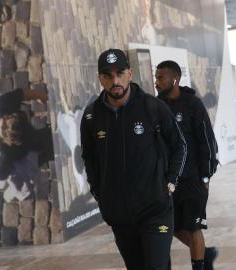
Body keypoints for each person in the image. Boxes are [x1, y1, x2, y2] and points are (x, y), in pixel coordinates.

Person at [80, 49, 187, 270]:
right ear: (100, 78)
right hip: (120, 215)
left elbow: (180, 145)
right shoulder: (91, 116)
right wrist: (99, 194)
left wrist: (171, 181)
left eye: (120, 73)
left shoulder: (152, 107)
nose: (115, 80)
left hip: (155, 208)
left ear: (130, 73)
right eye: (108, 76)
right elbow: (89, 158)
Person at [155, 60, 219, 270]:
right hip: (170, 180)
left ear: (175, 79)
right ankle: (206, 253)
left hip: (193, 179)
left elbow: (207, 141)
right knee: (172, 227)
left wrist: (206, 176)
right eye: (156, 78)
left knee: (193, 227)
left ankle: (200, 265)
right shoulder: (157, 106)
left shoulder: (193, 104)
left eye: (160, 78)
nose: (156, 82)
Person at [0, 88, 53, 201]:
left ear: (9, 116)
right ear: (11, 144)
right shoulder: (2, 157)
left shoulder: (3, 105)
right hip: (4, 148)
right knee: (45, 146)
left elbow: (23, 93)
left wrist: (39, 95)